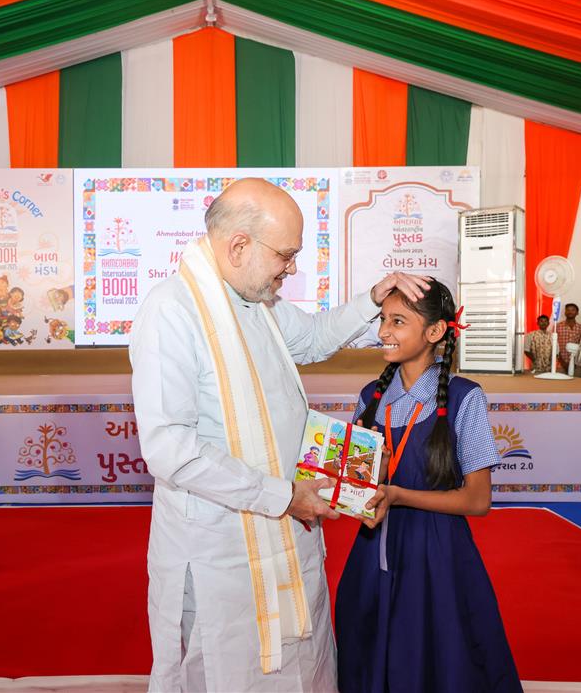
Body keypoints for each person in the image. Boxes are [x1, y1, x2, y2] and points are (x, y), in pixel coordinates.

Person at [129, 177, 430, 693]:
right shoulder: (173, 312)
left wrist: (371, 300)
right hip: (221, 549)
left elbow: (311, 338)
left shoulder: (254, 301)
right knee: (229, 673)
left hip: (286, 526)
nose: (291, 269)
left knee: (298, 667)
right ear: (239, 246)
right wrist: (283, 496)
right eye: (286, 255)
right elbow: (170, 450)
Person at [335, 278, 521, 692]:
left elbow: (477, 500)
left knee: (440, 660)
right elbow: (355, 487)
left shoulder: (464, 397)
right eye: (383, 320)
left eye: (398, 321)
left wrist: (398, 494)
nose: (384, 331)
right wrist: (367, 476)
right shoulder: (370, 396)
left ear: (435, 332)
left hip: (437, 556)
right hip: (371, 553)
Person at [556, 303, 581, 371]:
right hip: (559, 364)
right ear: (565, 312)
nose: (570, 312)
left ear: (577, 313)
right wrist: (562, 362)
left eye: (573, 310)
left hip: (576, 364)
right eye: (568, 310)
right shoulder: (557, 326)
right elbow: (554, 345)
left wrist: (575, 362)